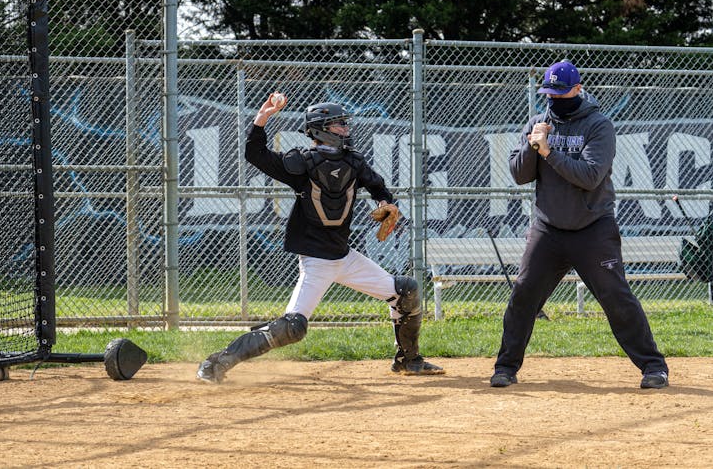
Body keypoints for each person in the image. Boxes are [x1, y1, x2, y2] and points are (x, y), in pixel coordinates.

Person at [197, 93, 444, 383]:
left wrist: (385, 204)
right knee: (293, 327)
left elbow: (378, 188)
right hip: (317, 261)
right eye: (338, 125)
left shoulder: (354, 162)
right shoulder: (302, 163)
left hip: (344, 257)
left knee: (406, 291)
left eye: (344, 124)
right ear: (320, 129)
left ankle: (408, 360)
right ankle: (216, 364)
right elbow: (255, 154)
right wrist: (261, 120)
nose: (345, 129)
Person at [490, 60, 669, 389]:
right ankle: (505, 367)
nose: (554, 100)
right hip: (548, 228)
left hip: (593, 227)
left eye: (561, 93)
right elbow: (519, 175)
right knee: (524, 295)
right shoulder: (538, 122)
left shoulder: (599, 125)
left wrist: (547, 152)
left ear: (577, 89)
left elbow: (589, 176)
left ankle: (653, 366)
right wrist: (534, 145)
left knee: (616, 297)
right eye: (549, 93)